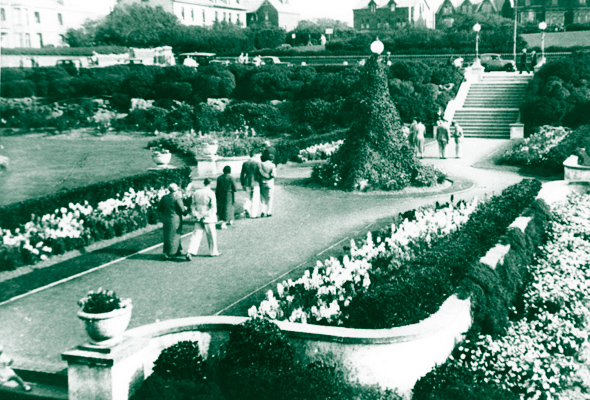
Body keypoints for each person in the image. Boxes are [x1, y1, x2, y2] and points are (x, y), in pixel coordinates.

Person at [186, 178, 219, 259]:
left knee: (196, 234)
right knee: (211, 235)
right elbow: (213, 208)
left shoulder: (197, 192)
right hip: (208, 217)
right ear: (210, 184)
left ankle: (190, 251)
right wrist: (205, 215)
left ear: (204, 183)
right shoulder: (211, 193)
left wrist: (196, 214)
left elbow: (192, 205)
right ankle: (213, 252)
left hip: (198, 216)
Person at [157, 183, 186, 260]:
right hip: (175, 219)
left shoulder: (164, 197)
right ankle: (170, 252)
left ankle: (176, 250)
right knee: (175, 235)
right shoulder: (177, 198)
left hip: (166, 218)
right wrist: (186, 210)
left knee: (167, 235)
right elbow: (182, 210)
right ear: (176, 189)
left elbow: (159, 208)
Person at [240, 150, 261, 218]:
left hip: (247, 182)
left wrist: (242, 183)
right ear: (255, 155)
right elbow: (259, 174)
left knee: (247, 197)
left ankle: (247, 208)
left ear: (249, 155)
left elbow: (242, 174)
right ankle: (253, 214)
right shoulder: (257, 163)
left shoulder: (245, 163)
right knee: (255, 198)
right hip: (255, 182)